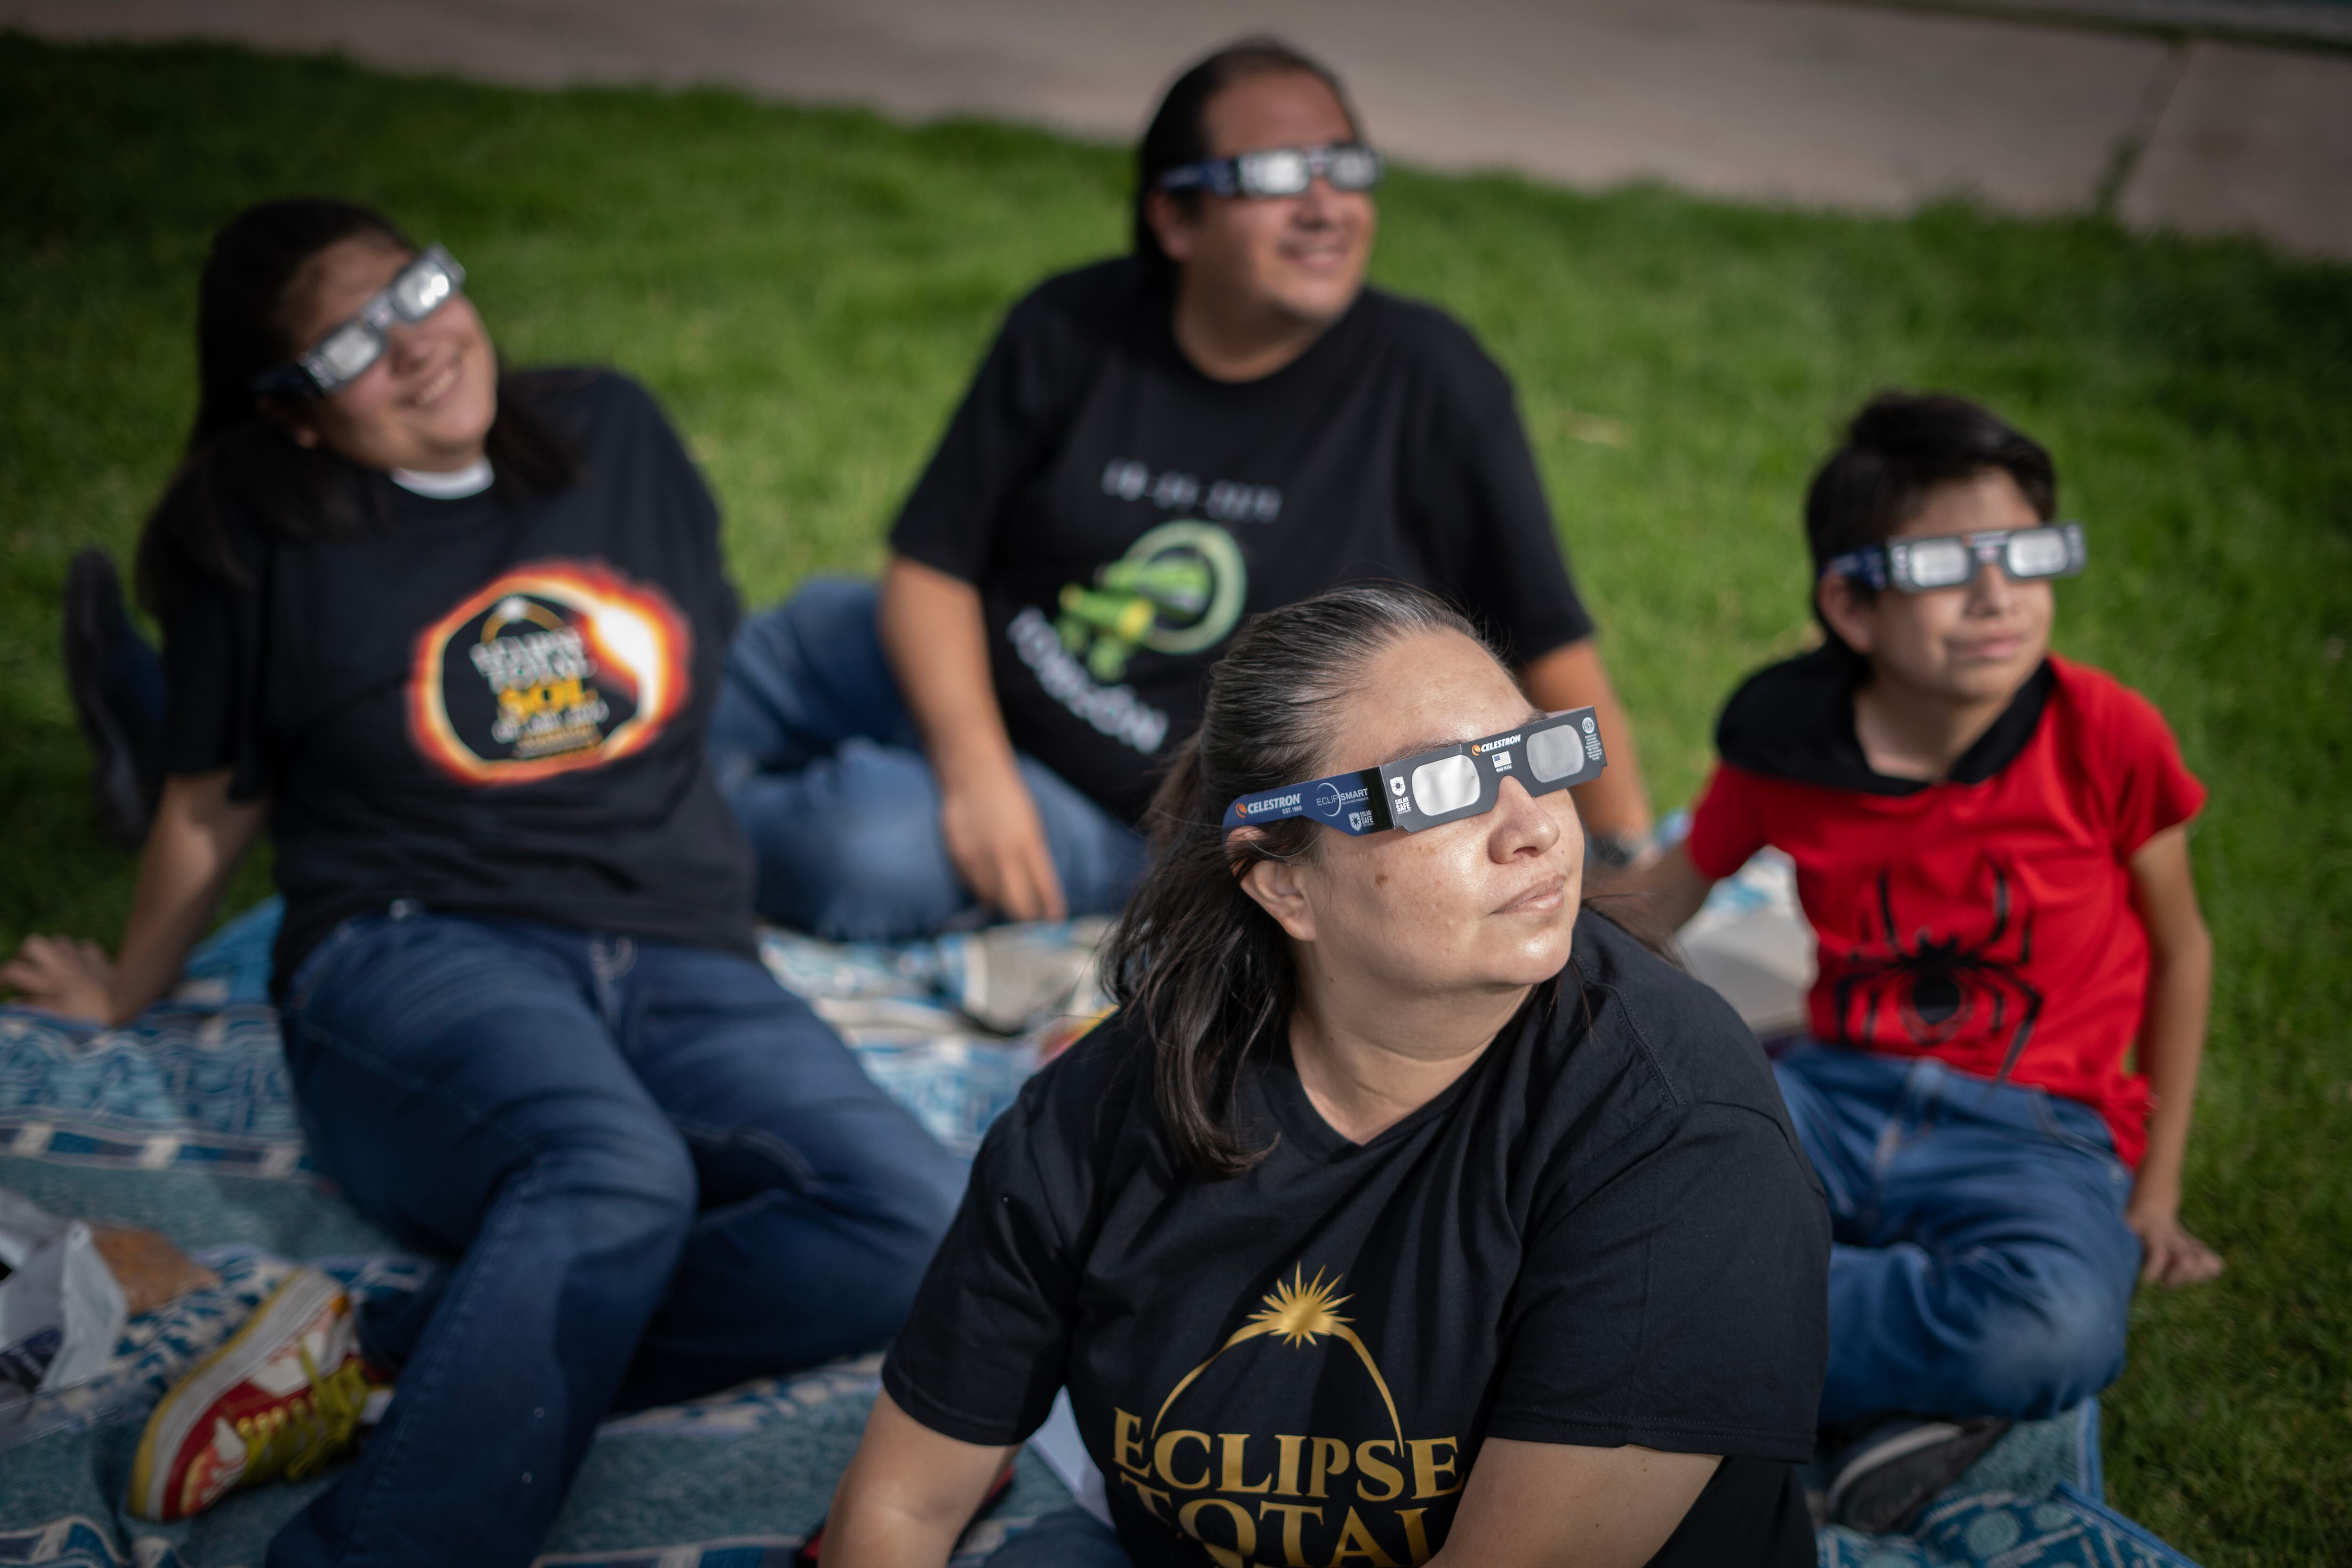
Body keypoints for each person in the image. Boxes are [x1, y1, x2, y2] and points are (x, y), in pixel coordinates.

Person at [0, 199, 964, 1567]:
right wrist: (125, 984)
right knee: (617, 1169)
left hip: (680, 946)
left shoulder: (615, 434)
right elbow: (216, 796)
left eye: (416, 290)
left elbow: (694, 688)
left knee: (914, 1218)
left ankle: (368, 1359)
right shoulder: (251, 526)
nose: (414, 346)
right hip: (415, 943)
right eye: (348, 346)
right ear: (289, 411)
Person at [814, 585, 1828, 1568]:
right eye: (1441, 787)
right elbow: (900, 1501)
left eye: (1534, 754)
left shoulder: (1677, 1123)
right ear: (1284, 880)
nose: (1535, 826)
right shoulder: (1113, 1100)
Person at [710, 37, 1655, 943]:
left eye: (1344, 165)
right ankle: (600, 790)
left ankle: (637, 839)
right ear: (1174, 218)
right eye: (1273, 176)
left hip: (1124, 810)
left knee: (859, 850)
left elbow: (1547, 646)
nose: (1324, 204)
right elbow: (931, 565)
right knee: (759, 652)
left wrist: (1621, 871)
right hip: (961, 662)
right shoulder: (1072, 324)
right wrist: (973, 769)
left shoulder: (1431, 383)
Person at [1627, 393, 2221, 1532]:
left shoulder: (2105, 732)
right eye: (1948, 563)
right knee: (1624, 1183)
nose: (1997, 594)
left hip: (2041, 1123)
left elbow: (2181, 946)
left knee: (2057, 1327)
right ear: (1850, 599)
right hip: (1831, 1085)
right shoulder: (1789, 746)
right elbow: (1662, 895)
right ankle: (1879, 1398)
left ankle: (1718, 1350)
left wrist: (2156, 1190)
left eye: (2024, 554)